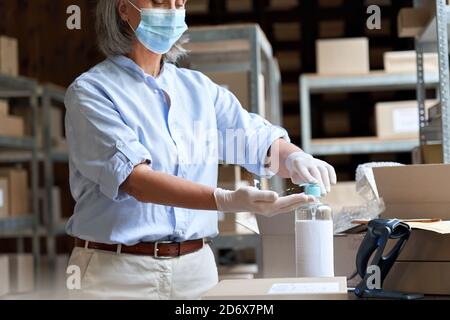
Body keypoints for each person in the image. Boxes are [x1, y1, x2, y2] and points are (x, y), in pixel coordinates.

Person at [65, 0, 337, 300]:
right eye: (159, 1)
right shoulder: (92, 91)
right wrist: (224, 200)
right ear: (123, 9)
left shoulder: (198, 89)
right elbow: (135, 180)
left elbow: (257, 140)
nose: (171, 11)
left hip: (196, 270)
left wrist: (293, 157)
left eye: (179, 3)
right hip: (118, 272)